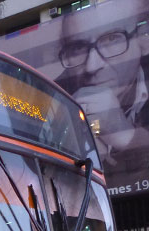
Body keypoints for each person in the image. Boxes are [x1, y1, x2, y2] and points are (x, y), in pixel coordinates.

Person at [55, 0, 149, 179]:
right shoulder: (51, 100)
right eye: (78, 48)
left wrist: (127, 136)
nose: (92, 66)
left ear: (143, 40)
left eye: (111, 39)